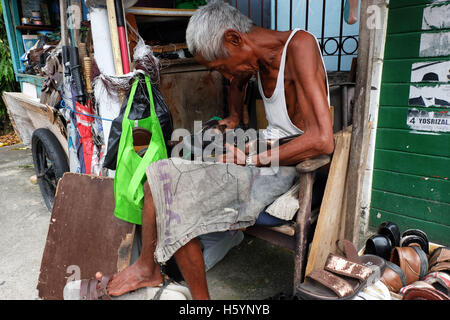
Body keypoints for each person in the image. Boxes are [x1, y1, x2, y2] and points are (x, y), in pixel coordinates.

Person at [96, 1, 334, 300]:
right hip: (262, 149)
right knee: (160, 173)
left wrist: (250, 157)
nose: (226, 75)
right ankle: (148, 266)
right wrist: (234, 116)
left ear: (234, 38)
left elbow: (323, 140)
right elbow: (238, 80)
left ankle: (185, 292)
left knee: (174, 194)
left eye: (222, 67)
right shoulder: (254, 58)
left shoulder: (299, 45)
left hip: (289, 160)